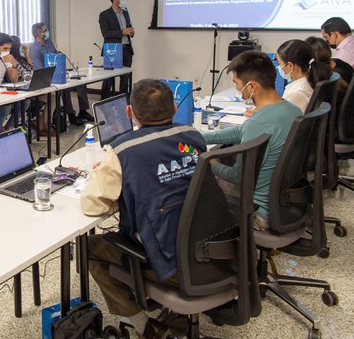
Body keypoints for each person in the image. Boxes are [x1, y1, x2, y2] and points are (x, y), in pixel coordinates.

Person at [81, 79, 213, 339]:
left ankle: (145, 326)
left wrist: (108, 179)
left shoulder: (123, 150)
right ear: (175, 109)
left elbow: (92, 204)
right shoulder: (193, 136)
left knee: (89, 248)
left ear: (129, 113)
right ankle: (167, 311)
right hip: (209, 250)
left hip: (171, 263)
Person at [201, 51, 302, 230]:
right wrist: (198, 136)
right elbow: (241, 131)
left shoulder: (258, 123)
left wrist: (210, 162)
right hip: (286, 205)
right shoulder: (293, 111)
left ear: (252, 86)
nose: (238, 89)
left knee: (199, 181)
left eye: (237, 84)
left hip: (259, 213)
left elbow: (237, 176)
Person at [28, 22, 93, 126]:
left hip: (57, 73)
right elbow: (39, 68)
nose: (47, 32)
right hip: (46, 78)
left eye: (46, 29)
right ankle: (71, 115)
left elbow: (56, 57)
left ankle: (83, 112)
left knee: (80, 83)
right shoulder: (34, 48)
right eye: (44, 30)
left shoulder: (49, 43)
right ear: (38, 33)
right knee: (65, 88)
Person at [274, 39, 333, 112]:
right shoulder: (311, 79)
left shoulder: (297, 93)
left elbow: (280, 120)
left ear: (290, 66)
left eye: (279, 63)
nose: (278, 67)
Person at [98, 0, 134, 99]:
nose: (124, 0)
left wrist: (131, 32)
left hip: (126, 48)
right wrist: (123, 32)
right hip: (112, 50)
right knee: (108, 78)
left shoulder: (125, 12)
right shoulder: (105, 14)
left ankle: (123, 100)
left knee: (125, 78)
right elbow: (105, 33)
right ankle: (104, 100)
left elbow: (128, 27)